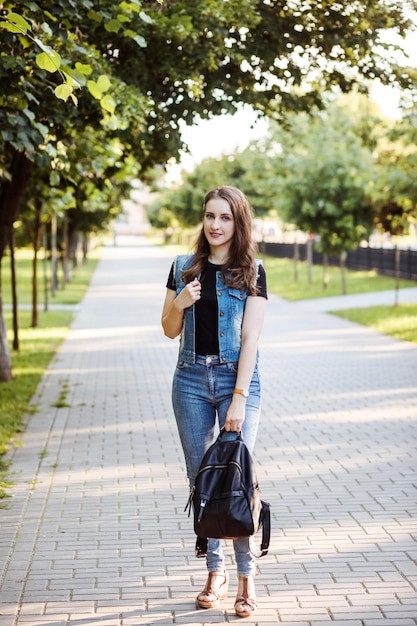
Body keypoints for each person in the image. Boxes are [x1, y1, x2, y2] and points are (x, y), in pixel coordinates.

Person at [161, 186, 267, 618]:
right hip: (189, 380)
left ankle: (246, 577)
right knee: (199, 480)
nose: (215, 225)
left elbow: (251, 339)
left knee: (236, 478)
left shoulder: (252, 271)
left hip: (235, 381)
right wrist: (181, 303)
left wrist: (239, 397)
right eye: (209, 216)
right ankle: (214, 571)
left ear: (237, 222)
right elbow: (168, 330)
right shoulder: (181, 267)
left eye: (224, 217)